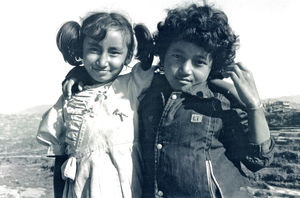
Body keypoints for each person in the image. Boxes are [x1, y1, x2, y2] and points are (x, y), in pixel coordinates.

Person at [61, 3, 275, 198]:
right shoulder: (146, 90)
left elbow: (257, 160)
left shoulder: (220, 103)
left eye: (199, 62)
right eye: (177, 57)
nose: (184, 70)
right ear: (163, 54)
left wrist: (254, 106)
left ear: (213, 65)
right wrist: (80, 74)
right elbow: (110, 82)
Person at [36, 11, 155, 198]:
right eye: (94, 50)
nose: (102, 61)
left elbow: (162, 66)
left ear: (128, 55)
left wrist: (77, 72)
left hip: (126, 189)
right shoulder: (69, 97)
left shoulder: (132, 85)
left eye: (114, 52)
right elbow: (60, 159)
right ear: (80, 50)